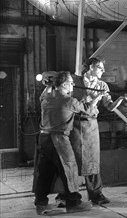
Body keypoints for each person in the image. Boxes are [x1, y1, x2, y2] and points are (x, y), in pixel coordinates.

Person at [57, 56, 127, 206]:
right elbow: (64, 99)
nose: (103, 71)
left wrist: (122, 99)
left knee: (92, 160)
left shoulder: (103, 85)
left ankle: (96, 194)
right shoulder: (74, 81)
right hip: (73, 124)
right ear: (90, 67)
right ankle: (68, 194)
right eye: (100, 68)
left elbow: (109, 106)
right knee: (71, 160)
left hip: (90, 125)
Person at [34, 71, 92, 215]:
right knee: (68, 168)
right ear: (65, 84)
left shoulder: (46, 98)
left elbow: (45, 94)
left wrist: (49, 85)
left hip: (43, 139)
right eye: (71, 83)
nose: (73, 85)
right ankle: (73, 202)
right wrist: (95, 98)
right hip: (59, 140)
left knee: (45, 173)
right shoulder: (69, 101)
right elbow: (88, 110)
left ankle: (40, 204)